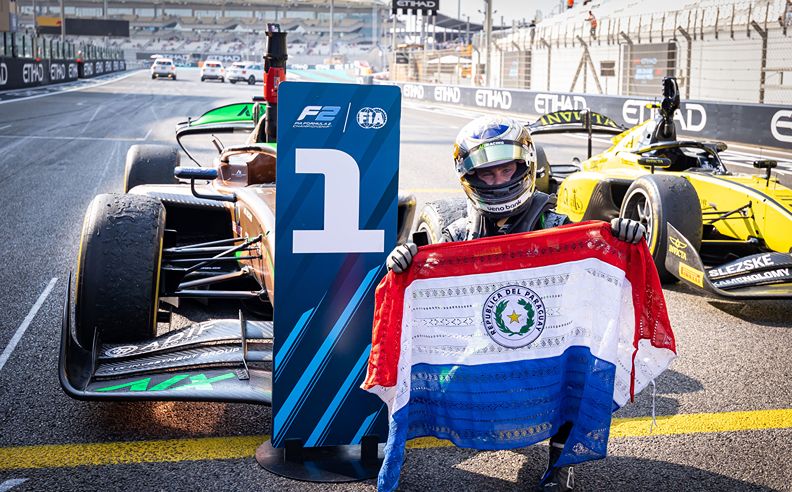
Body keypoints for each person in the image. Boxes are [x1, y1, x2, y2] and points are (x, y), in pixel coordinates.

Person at [386, 115, 646, 491]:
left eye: (506, 169)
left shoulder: (558, 227)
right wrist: (405, 259)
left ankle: (561, 461)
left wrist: (623, 237)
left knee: (583, 362)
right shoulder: (457, 234)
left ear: (525, 167)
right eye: (487, 174)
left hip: (545, 347)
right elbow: (425, 293)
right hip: (479, 350)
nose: (499, 181)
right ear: (470, 177)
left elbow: (599, 274)